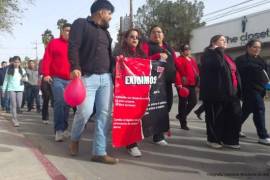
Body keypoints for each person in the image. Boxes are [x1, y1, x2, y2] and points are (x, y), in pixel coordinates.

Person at [68, 0, 118, 164]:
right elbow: (73, 46)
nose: (110, 17)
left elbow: (107, 55)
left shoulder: (106, 33)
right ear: (102, 11)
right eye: (110, 13)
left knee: (104, 115)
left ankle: (99, 151)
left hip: (106, 79)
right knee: (85, 112)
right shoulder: (80, 23)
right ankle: (75, 139)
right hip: (87, 77)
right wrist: (75, 66)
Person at [200, 35, 242, 149]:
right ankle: (212, 139)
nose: (225, 42)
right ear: (214, 42)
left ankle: (229, 140)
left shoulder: (226, 55)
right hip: (214, 92)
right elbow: (218, 65)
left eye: (225, 41)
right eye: (222, 40)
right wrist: (217, 50)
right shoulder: (209, 54)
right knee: (215, 117)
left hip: (231, 92)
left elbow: (234, 71)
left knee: (232, 116)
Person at [142, 25, 176, 145]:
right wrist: (157, 56)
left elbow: (174, 64)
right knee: (157, 108)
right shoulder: (147, 46)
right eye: (154, 32)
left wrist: (178, 81)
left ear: (163, 34)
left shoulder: (168, 47)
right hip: (155, 83)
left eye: (159, 32)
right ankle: (158, 136)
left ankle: (160, 129)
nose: (157, 34)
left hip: (167, 82)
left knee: (168, 106)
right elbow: (143, 60)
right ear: (150, 35)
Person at [115, 28, 147, 157]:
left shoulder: (142, 53)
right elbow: (114, 70)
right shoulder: (119, 52)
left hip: (138, 90)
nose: (134, 39)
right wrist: (119, 62)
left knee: (136, 118)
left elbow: (146, 68)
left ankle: (131, 141)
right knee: (128, 118)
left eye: (137, 37)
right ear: (126, 39)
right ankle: (131, 144)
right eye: (132, 37)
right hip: (125, 91)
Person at [235, 39, 270, 145]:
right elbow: (238, 75)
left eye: (259, 47)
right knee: (259, 110)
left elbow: (266, 77)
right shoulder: (241, 60)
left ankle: (233, 128)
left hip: (261, 90)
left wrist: (268, 90)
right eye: (255, 47)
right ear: (248, 47)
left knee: (245, 111)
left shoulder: (261, 60)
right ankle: (263, 136)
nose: (257, 49)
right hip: (249, 90)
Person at [42, 23, 72, 141]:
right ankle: (58, 130)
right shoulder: (54, 43)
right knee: (59, 102)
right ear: (61, 31)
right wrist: (46, 74)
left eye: (70, 31)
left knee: (67, 105)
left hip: (71, 80)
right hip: (57, 78)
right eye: (66, 30)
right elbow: (47, 59)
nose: (68, 32)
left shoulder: (74, 44)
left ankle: (64, 129)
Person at [175, 44, 199, 130]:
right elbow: (177, 72)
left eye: (188, 49)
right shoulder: (178, 60)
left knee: (193, 102)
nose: (187, 51)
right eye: (185, 49)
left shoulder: (192, 60)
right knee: (183, 103)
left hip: (192, 84)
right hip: (183, 85)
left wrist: (197, 84)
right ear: (181, 51)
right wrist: (179, 84)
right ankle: (183, 123)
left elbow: (196, 72)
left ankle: (181, 115)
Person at [2, 56, 27, 127]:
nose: (16, 63)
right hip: (11, 89)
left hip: (20, 89)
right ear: (13, 62)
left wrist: (24, 78)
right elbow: (6, 80)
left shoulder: (22, 70)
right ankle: (15, 120)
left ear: (20, 62)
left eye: (18, 62)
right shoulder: (9, 70)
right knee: (14, 105)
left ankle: (18, 111)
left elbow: (26, 79)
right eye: (15, 62)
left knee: (19, 104)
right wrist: (4, 90)